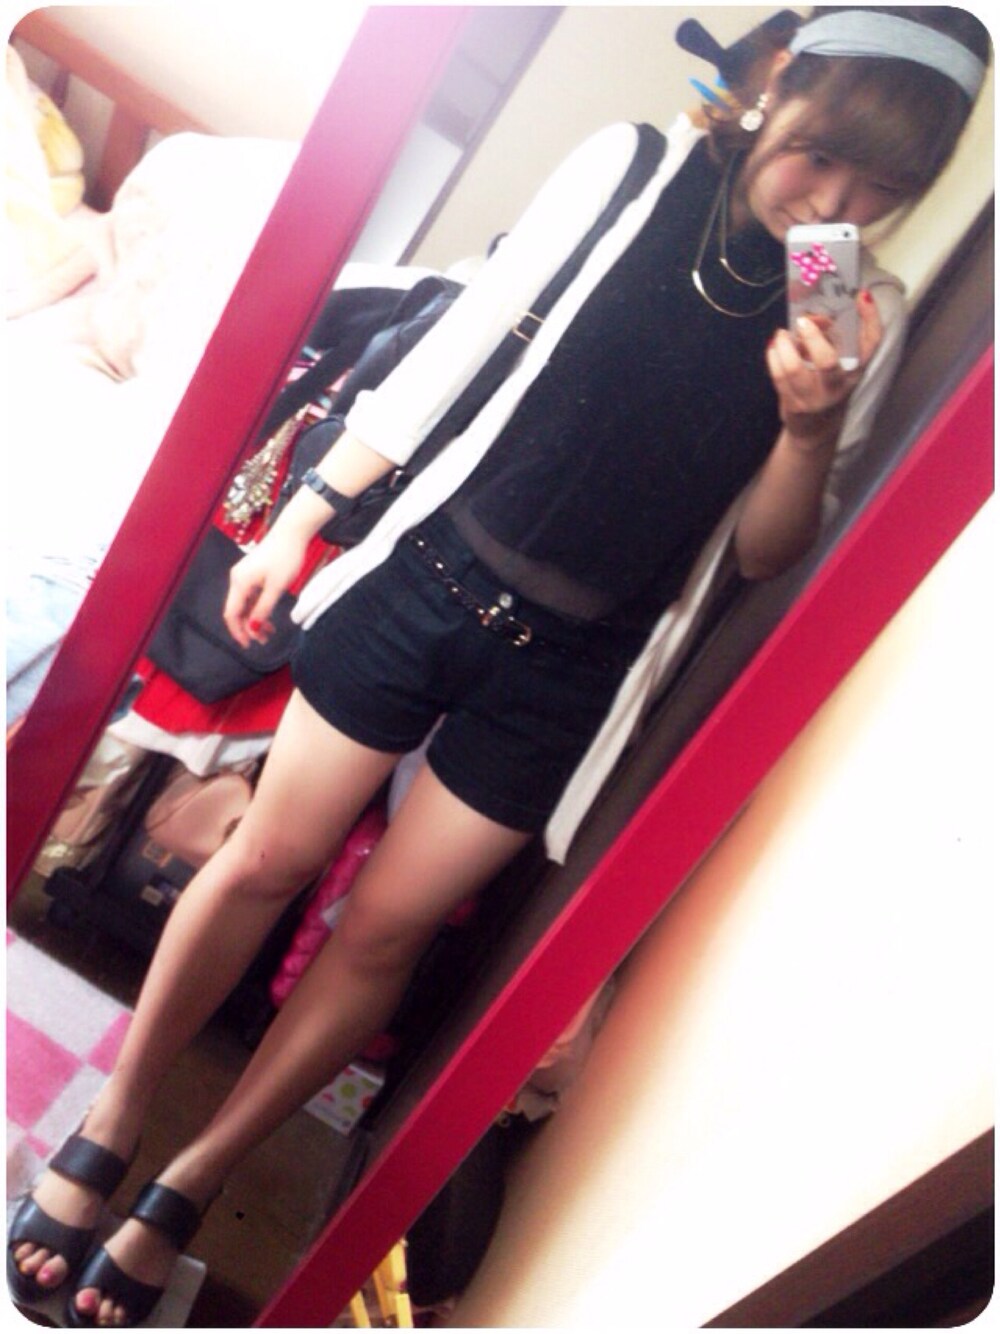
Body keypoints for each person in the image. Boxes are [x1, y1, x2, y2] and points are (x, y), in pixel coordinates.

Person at [8, 7, 989, 1326]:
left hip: (571, 676)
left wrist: (809, 426)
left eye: (885, 188)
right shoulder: (633, 169)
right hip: (423, 579)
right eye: (823, 155)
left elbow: (764, 555)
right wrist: (306, 517)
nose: (836, 204)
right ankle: (117, 1118)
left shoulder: (861, 310)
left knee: (384, 934)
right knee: (265, 859)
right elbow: (456, 347)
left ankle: (197, 1171)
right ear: (775, 88)